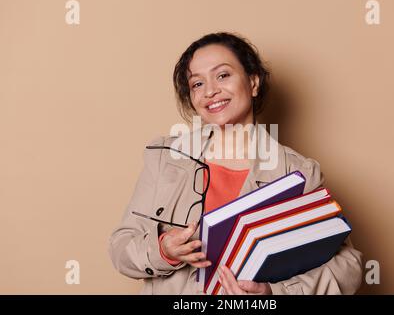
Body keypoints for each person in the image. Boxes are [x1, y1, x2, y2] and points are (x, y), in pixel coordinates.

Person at [108, 32, 363, 295]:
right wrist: (163, 250)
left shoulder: (297, 171)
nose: (210, 91)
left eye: (223, 75)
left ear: (253, 82)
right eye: (197, 84)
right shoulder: (166, 158)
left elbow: (347, 266)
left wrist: (273, 293)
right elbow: (120, 247)